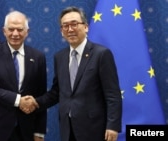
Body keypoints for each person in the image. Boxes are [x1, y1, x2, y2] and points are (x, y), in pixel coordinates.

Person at [21, 6, 122, 141]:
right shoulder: (60, 57)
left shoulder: (101, 54)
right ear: (61, 31)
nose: (70, 29)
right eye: (65, 26)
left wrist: (113, 126)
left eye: (74, 24)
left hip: (95, 129)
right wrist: (36, 102)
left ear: (86, 27)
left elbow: (113, 94)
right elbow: (57, 92)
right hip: (67, 128)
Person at [0, 10, 47, 141]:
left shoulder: (38, 57)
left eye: (20, 30)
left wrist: (39, 132)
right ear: (4, 31)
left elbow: (41, 96)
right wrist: (18, 101)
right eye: (11, 29)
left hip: (24, 130)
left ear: (27, 32)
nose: (15, 34)